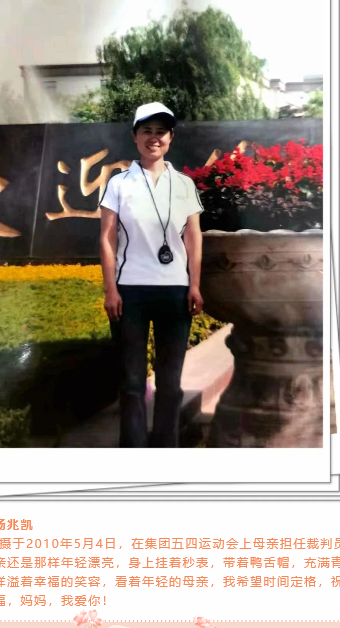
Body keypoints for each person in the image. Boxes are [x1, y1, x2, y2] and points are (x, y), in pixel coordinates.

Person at [99, 102, 204, 448]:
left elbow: (193, 237)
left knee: (170, 382)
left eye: (161, 131)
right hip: (130, 291)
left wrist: (195, 285)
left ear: (170, 138)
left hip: (175, 291)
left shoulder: (184, 184)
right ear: (135, 136)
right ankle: (133, 452)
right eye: (147, 131)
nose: (154, 138)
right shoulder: (119, 183)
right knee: (131, 382)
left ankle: (165, 449)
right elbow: (107, 238)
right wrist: (111, 289)